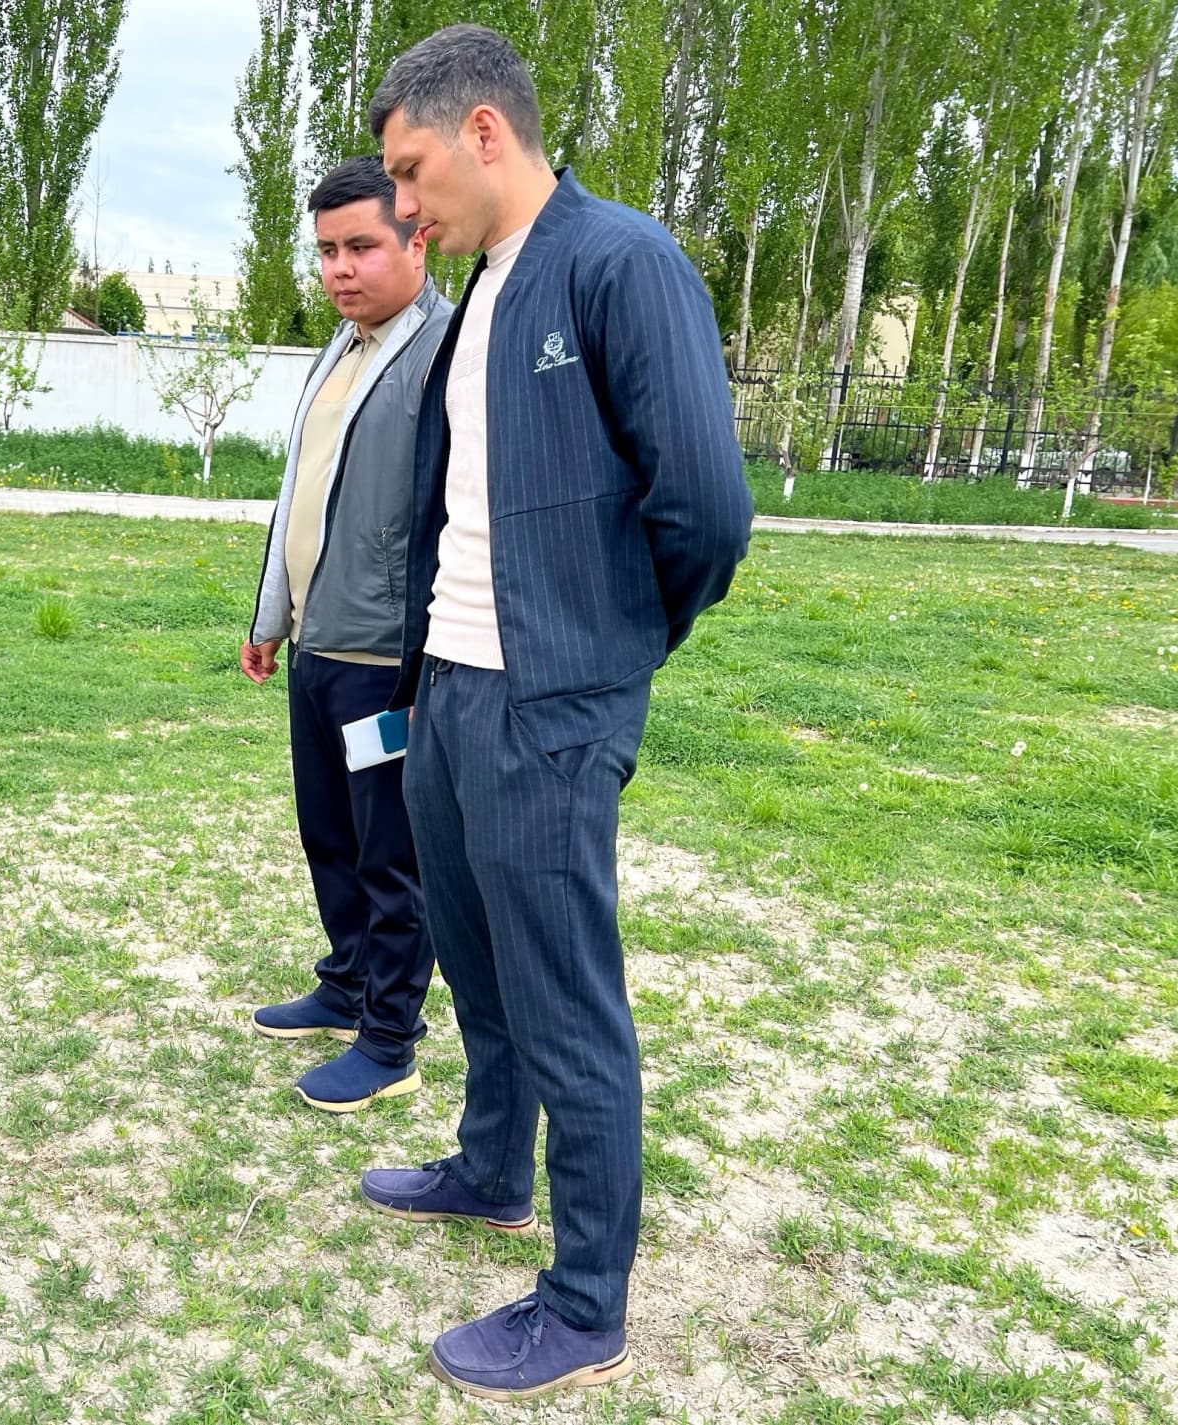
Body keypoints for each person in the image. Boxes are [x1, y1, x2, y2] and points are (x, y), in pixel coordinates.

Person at [357, 26, 753, 1402]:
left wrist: (609, 646)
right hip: (453, 694)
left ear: (482, 132)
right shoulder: (484, 292)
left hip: (549, 701)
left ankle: (586, 1301)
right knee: (479, 958)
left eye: (410, 172)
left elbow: (705, 505)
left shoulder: (618, 263)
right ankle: (486, 1167)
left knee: (567, 1000)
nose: (404, 207)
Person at [242, 157, 454, 1114]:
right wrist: (270, 619)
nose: (339, 268)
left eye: (361, 245)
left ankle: (390, 1034)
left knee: (390, 850)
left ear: (417, 237)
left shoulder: (445, 352)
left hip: (388, 662)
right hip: (320, 647)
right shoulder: (342, 347)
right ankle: (346, 983)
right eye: (326, 250)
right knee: (327, 829)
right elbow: (303, 493)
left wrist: (427, 662)